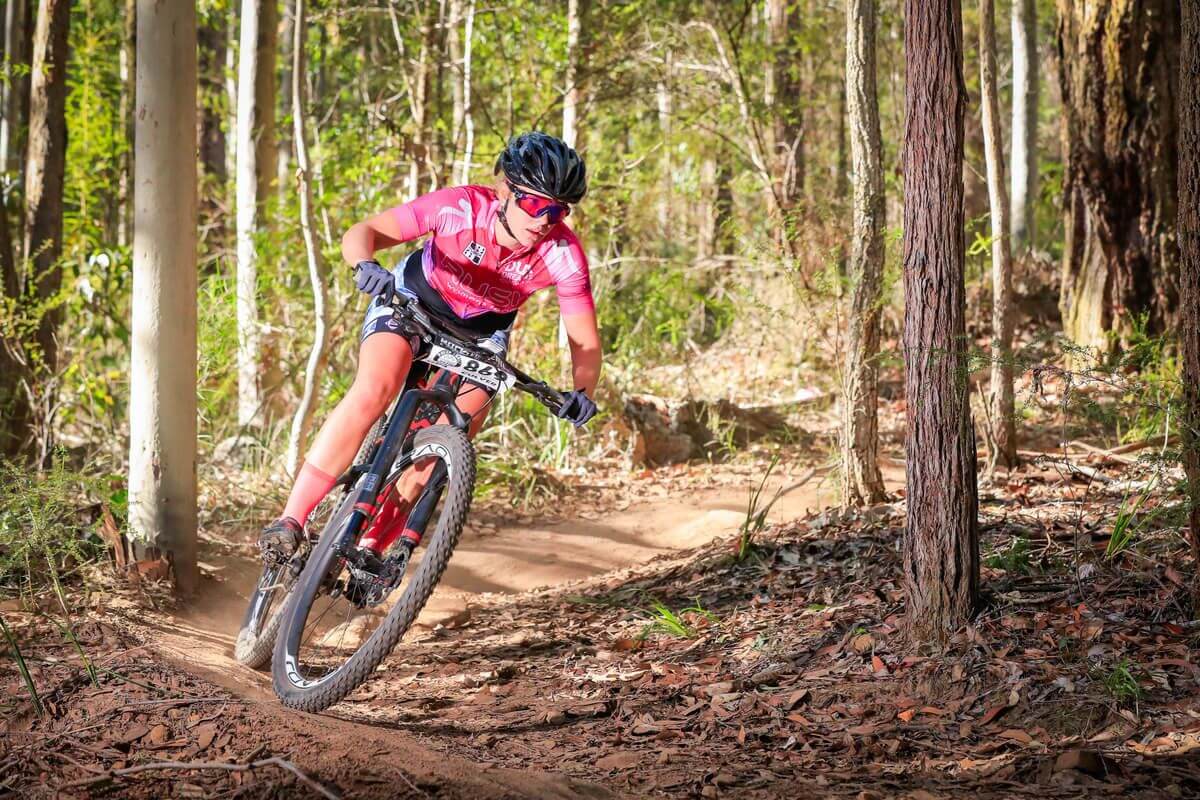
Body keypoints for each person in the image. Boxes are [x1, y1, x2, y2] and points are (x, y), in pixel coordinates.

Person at [258, 132, 601, 560]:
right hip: (414, 303)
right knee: (375, 390)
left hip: (481, 336)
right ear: (504, 191)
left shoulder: (563, 252)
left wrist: (583, 392)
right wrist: (365, 264)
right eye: (534, 204)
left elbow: (583, 338)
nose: (545, 220)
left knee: (444, 445)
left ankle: (368, 550)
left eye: (559, 210)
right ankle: (290, 520)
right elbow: (365, 231)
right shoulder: (459, 207)